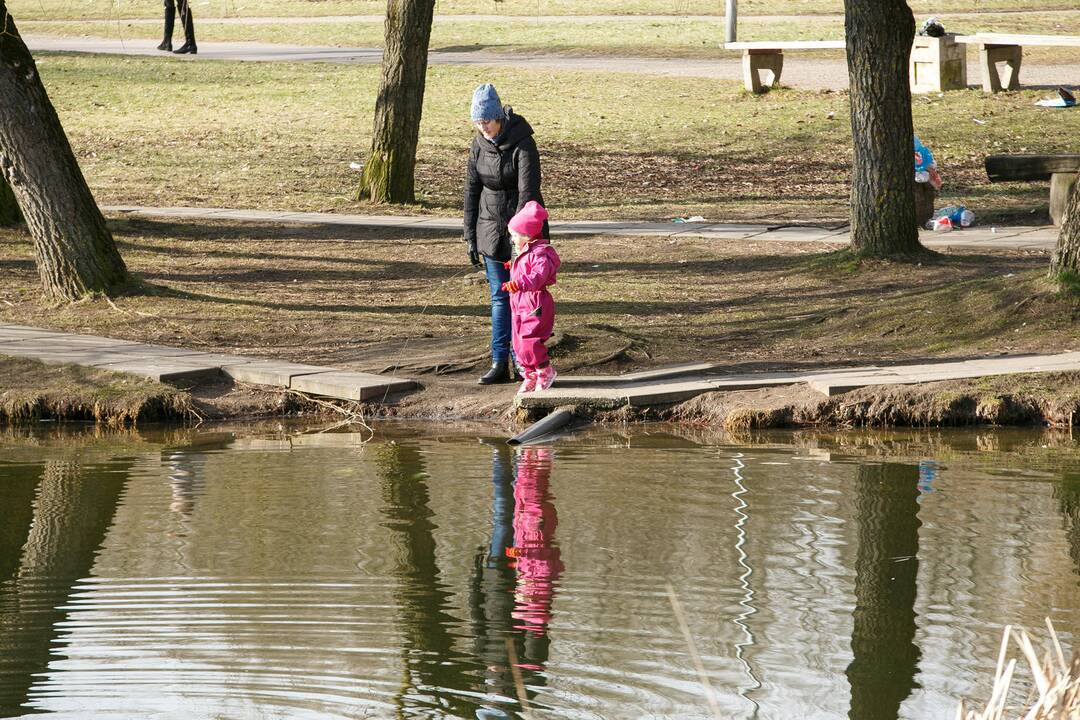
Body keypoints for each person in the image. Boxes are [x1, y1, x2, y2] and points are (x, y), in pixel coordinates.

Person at [464, 83, 548, 386]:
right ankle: (499, 360)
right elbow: (472, 189)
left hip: (522, 232)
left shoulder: (523, 142)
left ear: (498, 116)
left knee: (522, 301)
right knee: (500, 298)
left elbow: (529, 193)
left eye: (486, 120)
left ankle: (524, 362)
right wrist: (470, 234)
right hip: (488, 228)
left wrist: (522, 238)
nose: (483, 127)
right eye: (478, 122)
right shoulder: (478, 144)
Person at [503, 201, 559, 394]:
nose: (512, 240)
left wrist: (520, 282)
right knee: (518, 341)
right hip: (519, 302)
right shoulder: (524, 251)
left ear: (527, 236)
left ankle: (545, 370)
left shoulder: (540, 253)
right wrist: (514, 269)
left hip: (534, 302)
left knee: (530, 339)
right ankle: (530, 374)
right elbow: (527, 270)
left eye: (515, 236)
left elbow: (538, 275)